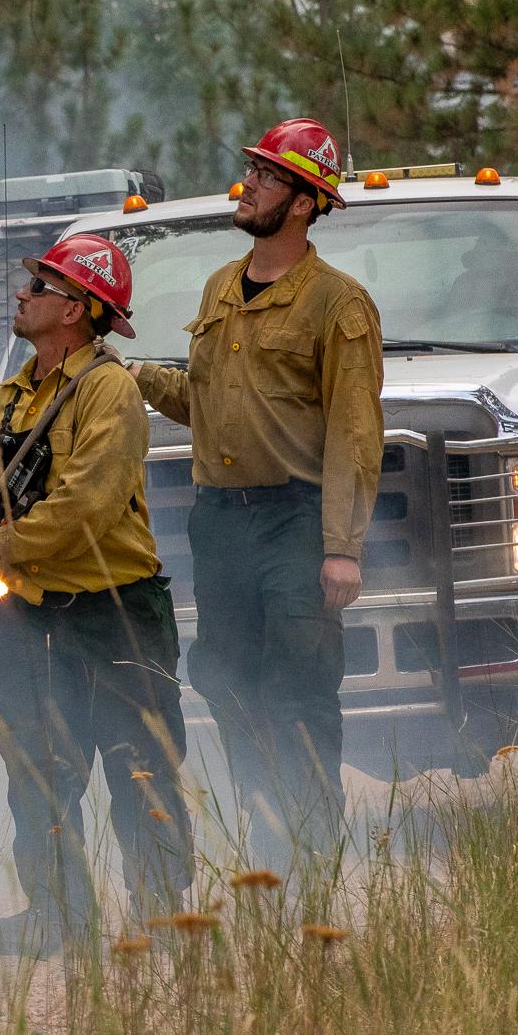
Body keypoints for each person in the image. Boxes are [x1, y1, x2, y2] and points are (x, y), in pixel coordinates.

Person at [0, 232, 194, 953]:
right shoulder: (9, 398)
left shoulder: (109, 390)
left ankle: (164, 918)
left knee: (142, 771)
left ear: (74, 309)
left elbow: (87, 506)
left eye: (38, 287)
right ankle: (59, 916)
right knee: (36, 774)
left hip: (116, 615)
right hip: (31, 621)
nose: (22, 294)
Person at [131, 118, 384, 874]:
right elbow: (207, 400)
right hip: (222, 527)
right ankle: (266, 847)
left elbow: (355, 434)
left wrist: (341, 547)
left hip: (297, 524)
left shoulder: (339, 306)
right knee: (229, 686)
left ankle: (310, 867)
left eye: (270, 177)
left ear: (306, 202)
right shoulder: (220, 288)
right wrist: (133, 375)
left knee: (301, 696)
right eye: (253, 173)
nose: (251, 187)